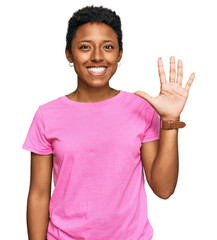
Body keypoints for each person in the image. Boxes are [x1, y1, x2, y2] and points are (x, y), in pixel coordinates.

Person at [22, 5, 195, 240]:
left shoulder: (141, 109)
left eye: (108, 47)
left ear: (120, 54)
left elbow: (163, 189)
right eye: (85, 47)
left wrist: (170, 120)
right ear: (69, 54)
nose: (96, 56)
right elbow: (39, 195)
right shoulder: (47, 115)